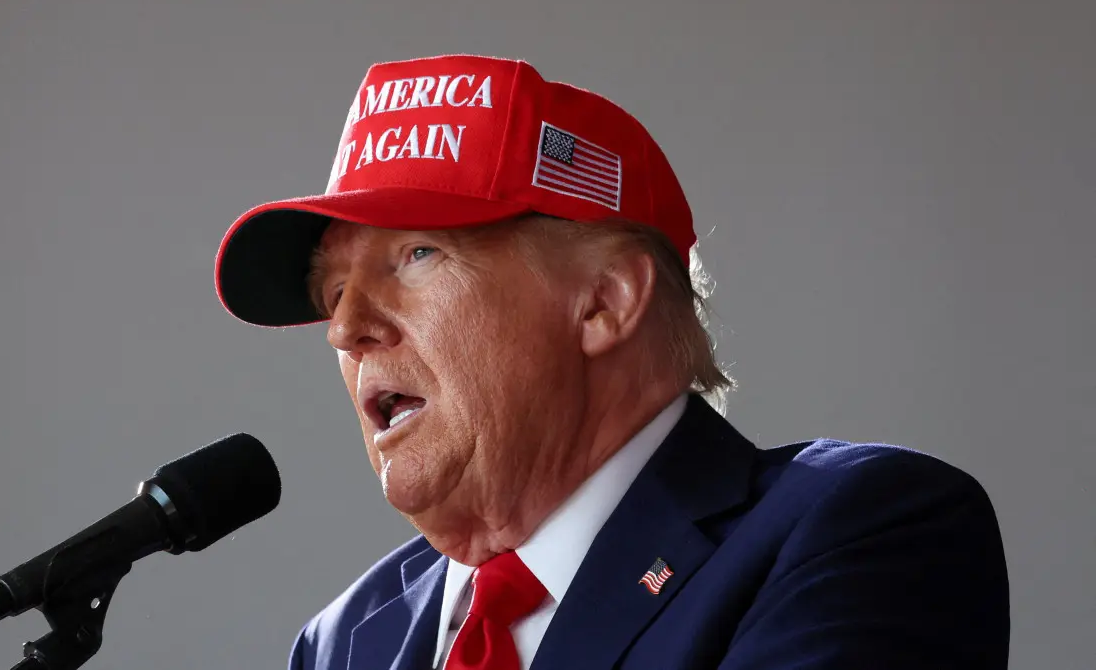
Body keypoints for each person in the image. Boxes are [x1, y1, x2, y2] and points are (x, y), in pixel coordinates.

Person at [214, 55, 1010, 669]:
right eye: (335, 288)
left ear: (604, 302)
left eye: (418, 255)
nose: (346, 328)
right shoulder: (346, 639)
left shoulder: (855, 530)